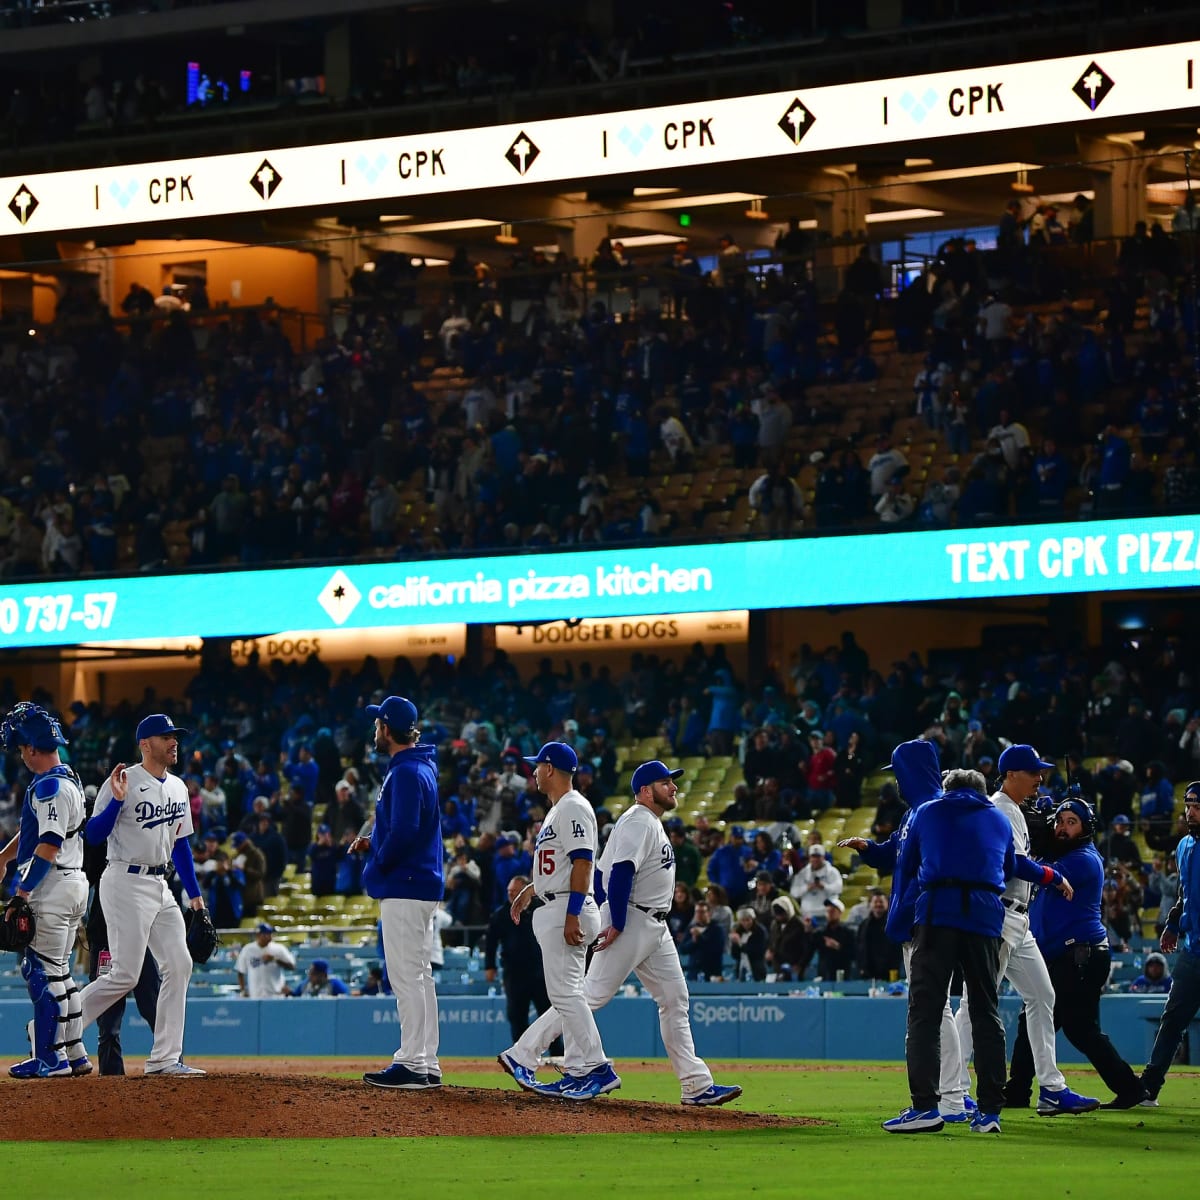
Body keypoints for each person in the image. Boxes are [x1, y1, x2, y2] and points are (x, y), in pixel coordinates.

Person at [499, 760, 740, 1105]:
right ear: (645, 790)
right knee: (590, 994)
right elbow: (623, 871)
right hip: (632, 917)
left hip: (654, 925)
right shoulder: (638, 821)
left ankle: (695, 1084)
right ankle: (528, 1054)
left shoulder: (647, 822)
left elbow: (598, 874)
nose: (673, 787)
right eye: (665, 782)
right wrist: (616, 921)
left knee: (674, 1000)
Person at [956, 745, 1099, 1116]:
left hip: (1020, 919)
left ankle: (1051, 1089)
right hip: (999, 915)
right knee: (976, 1003)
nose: (1040, 777)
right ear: (1012, 774)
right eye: (1034, 771)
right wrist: (1052, 875)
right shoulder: (1001, 808)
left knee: (1042, 997)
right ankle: (952, 1088)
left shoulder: (1015, 810)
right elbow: (1014, 862)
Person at [883, 767, 1014, 1135]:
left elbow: (907, 864)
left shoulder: (927, 811)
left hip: (938, 911)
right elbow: (1006, 865)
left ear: (947, 788)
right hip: (986, 915)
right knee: (986, 1012)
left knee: (925, 1012)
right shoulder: (999, 819)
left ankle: (926, 1107)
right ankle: (989, 1113)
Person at [78, 713, 207, 1077]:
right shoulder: (123, 780)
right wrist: (117, 801)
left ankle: (165, 1059)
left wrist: (195, 898)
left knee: (180, 963)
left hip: (160, 884)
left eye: (175, 736)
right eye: (167, 736)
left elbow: (181, 846)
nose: (174, 742)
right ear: (145, 744)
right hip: (124, 878)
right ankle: (56, 1029)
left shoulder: (179, 787)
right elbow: (93, 836)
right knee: (125, 975)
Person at [1007, 798, 1148, 1109]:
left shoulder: (1084, 859)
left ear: (1086, 828)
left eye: (1072, 822)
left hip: (1079, 954)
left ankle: (1017, 1092)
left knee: (1037, 1018)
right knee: (1079, 1028)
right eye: (1059, 821)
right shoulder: (1069, 855)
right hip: (1072, 954)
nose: (1062, 827)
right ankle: (1131, 1089)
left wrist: (1035, 833)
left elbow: (1039, 871)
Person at [498, 741, 619, 1101]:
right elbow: (563, 865)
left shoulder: (573, 807)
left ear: (551, 768)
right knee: (569, 994)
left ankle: (597, 1068)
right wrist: (532, 889)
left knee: (564, 994)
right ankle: (579, 1069)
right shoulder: (558, 810)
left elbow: (583, 863)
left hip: (569, 907)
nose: (533, 771)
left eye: (537, 765)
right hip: (557, 902)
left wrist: (571, 913)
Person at [353, 696, 444, 1090]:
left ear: (387, 729)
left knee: (406, 975)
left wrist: (380, 860)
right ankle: (426, 1060)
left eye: (378, 724)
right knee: (419, 975)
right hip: (418, 881)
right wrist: (373, 842)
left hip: (406, 883)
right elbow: (409, 826)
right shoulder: (417, 767)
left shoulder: (406, 771)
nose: (375, 730)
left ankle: (412, 1062)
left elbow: (406, 831)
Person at [0, 703, 90, 1078]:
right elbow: (40, 831)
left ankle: (51, 1059)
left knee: (40, 972)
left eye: (21, 747)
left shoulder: (49, 786)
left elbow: (48, 845)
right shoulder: (67, 778)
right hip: (72, 883)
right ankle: (75, 1054)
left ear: (32, 747)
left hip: (51, 886)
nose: (20, 754)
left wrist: (20, 893)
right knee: (61, 974)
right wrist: (5, 856)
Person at [81, 783, 161, 1076]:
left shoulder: (140, 836)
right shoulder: (95, 839)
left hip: (136, 929)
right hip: (105, 930)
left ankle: (167, 1060)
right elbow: (86, 874)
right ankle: (112, 1081)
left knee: (151, 998)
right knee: (111, 1009)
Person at [1140, 783, 1200, 1104]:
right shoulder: (1184, 846)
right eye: (1188, 805)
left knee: (1173, 1019)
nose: (1190, 812)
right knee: (1173, 1018)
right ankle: (1149, 1086)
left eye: (1197, 806)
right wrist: (1173, 924)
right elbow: (1184, 893)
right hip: (1193, 951)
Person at [484, 875, 558, 1048]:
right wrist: (489, 966)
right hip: (514, 973)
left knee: (548, 1014)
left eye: (515, 891)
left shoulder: (542, 908)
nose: (511, 895)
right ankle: (520, 1054)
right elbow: (490, 942)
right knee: (516, 1015)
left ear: (526, 891)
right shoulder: (501, 914)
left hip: (541, 972)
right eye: (509, 892)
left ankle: (557, 1054)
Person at [235, 922, 296, 998]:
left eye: (270, 933)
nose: (270, 936)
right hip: (255, 995)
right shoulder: (248, 949)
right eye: (266, 934)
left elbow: (292, 966)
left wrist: (275, 959)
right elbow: (240, 971)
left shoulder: (279, 949)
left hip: (276, 995)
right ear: (258, 935)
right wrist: (243, 990)